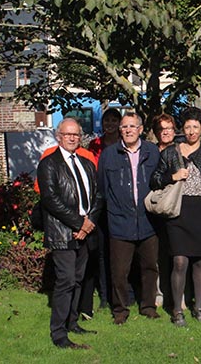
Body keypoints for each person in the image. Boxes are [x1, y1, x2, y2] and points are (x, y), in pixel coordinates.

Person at [37, 118, 103, 349]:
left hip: (85, 231)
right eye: (68, 134)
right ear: (59, 136)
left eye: (76, 134)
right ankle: (59, 333)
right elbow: (50, 199)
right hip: (62, 232)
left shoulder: (86, 163)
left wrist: (89, 223)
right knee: (65, 280)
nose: (73, 138)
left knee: (78, 280)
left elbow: (97, 196)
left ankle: (72, 322)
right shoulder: (49, 164)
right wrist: (78, 223)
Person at [150, 107, 201, 327]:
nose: (191, 131)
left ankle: (198, 306)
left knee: (199, 261)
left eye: (195, 127)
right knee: (179, 261)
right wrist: (173, 175)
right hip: (178, 211)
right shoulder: (171, 152)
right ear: (182, 128)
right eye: (187, 127)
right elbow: (155, 179)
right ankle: (177, 309)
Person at [98, 112, 161, 325]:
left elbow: (159, 182)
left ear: (141, 129)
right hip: (119, 220)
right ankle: (120, 310)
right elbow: (102, 188)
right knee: (119, 271)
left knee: (149, 268)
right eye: (124, 127)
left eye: (132, 126)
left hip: (148, 221)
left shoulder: (152, 152)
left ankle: (148, 306)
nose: (128, 130)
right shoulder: (108, 154)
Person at [78, 108, 122, 318]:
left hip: (121, 203)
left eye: (115, 120)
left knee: (121, 250)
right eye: (107, 120)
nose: (110, 124)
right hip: (100, 202)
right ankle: (104, 295)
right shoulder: (95, 145)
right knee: (103, 251)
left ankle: (124, 292)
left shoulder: (125, 143)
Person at [150, 113, 179, 311]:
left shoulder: (180, 150)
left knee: (178, 255)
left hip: (176, 206)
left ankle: (179, 294)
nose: (166, 132)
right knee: (157, 255)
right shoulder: (150, 152)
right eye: (161, 129)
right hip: (156, 207)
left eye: (169, 128)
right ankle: (159, 293)